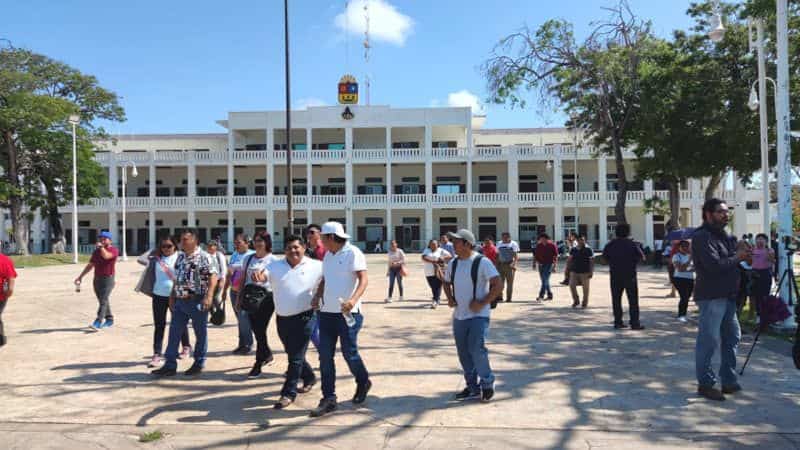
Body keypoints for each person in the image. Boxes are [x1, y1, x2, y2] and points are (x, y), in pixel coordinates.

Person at [309, 221, 372, 418]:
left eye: (322, 238)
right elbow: (326, 279)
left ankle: (363, 381)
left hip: (348, 313)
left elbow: (363, 279)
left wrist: (353, 300)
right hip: (326, 313)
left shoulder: (353, 253)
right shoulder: (328, 255)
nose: (319, 241)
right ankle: (328, 398)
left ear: (330, 237)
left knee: (349, 353)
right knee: (325, 356)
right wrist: (318, 295)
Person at [692, 198, 750, 401]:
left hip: (729, 296)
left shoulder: (725, 237)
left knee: (732, 336)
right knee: (708, 341)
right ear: (708, 214)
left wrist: (741, 252)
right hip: (711, 296)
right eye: (720, 212)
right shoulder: (702, 237)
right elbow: (714, 265)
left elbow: (734, 259)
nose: (726, 215)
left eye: (727, 212)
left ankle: (728, 380)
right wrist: (738, 257)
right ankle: (705, 384)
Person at [442, 229, 502, 403]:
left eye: (456, 241)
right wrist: (450, 298)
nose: (453, 244)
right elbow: (446, 282)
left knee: (477, 350)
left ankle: (487, 384)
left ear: (467, 244)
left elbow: (498, 285)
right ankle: (472, 387)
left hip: (479, 316)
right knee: (464, 354)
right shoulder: (453, 263)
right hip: (459, 316)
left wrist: (482, 302)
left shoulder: (482, 262)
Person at [152, 229, 219, 377]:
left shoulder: (205, 257)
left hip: (198, 300)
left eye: (185, 239)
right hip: (180, 301)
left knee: (200, 333)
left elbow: (213, 277)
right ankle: (170, 365)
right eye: (181, 239)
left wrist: (209, 296)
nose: (181, 242)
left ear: (195, 241)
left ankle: (199, 362)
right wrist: (172, 297)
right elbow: (177, 278)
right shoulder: (181, 257)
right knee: (174, 332)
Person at [267, 235, 321, 409]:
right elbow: (263, 274)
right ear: (284, 250)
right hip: (282, 318)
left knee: (295, 357)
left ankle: (288, 393)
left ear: (304, 248)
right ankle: (310, 376)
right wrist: (259, 276)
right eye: (289, 248)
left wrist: (319, 296)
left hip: (306, 316)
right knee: (293, 354)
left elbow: (329, 280)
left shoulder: (316, 266)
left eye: (296, 247)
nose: (293, 251)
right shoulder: (275, 266)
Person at [137, 235, 192, 367]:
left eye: (169, 246)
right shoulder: (156, 258)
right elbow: (140, 259)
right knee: (159, 325)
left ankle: (186, 346)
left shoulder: (181, 257)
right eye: (163, 246)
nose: (166, 249)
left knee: (179, 322)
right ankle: (157, 354)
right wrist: (154, 251)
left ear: (175, 246)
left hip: (177, 295)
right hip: (158, 295)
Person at [237, 231, 280, 378]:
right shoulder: (248, 259)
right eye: (255, 240)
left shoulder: (273, 260)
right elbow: (243, 278)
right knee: (256, 329)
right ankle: (266, 354)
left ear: (267, 242)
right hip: (250, 297)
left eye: (261, 240)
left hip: (266, 299)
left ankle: (259, 361)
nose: (258, 243)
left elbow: (276, 280)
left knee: (260, 329)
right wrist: (239, 298)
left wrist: (263, 278)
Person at [602, 224, 645, 330]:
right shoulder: (633, 244)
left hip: (615, 275)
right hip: (630, 275)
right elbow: (642, 257)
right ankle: (635, 323)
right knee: (633, 300)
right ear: (628, 232)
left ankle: (618, 322)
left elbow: (604, 259)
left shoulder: (610, 244)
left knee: (616, 299)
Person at [75, 231, 119, 330]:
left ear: (110, 240)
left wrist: (101, 248)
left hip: (108, 279)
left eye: (104, 239)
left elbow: (106, 256)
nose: (102, 240)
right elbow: (90, 265)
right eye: (100, 239)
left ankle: (98, 321)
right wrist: (80, 276)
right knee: (103, 300)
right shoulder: (96, 252)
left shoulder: (114, 250)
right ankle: (109, 319)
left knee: (103, 300)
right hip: (97, 278)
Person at [222, 234, 255, 355]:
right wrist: (225, 289)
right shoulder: (235, 255)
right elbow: (229, 274)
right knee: (240, 320)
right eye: (235, 242)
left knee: (244, 318)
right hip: (234, 291)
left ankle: (248, 344)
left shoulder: (251, 255)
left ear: (247, 243)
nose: (236, 245)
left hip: (245, 292)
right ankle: (242, 343)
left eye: (239, 242)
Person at [422, 239, 452, 309]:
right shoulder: (426, 250)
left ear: (437, 244)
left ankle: (435, 300)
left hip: (438, 271)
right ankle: (436, 299)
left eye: (434, 244)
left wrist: (443, 257)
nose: (433, 245)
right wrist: (434, 261)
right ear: (429, 245)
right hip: (428, 272)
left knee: (437, 286)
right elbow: (423, 257)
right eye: (431, 244)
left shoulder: (441, 250)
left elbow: (450, 256)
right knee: (432, 286)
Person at [567, 236, 594, 308]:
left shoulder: (588, 250)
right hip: (574, 271)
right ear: (577, 241)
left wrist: (591, 271)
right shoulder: (573, 249)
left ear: (584, 241)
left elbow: (591, 262)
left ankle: (585, 303)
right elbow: (569, 260)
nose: (581, 241)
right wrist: (567, 269)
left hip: (585, 272)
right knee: (571, 285)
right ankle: (576, 300)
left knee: (585, 289)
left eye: (582, 240)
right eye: (579, 240)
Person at [750, 233, 775, 308]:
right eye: (758, 239)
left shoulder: (769, 250)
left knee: (765, 293)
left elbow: (772, 261)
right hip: (754, 272)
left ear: (766, 241)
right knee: (755, 294)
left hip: (765, 273)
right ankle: (757, 312)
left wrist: (769, 256)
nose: (759, 241)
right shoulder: (752, 250)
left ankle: (765, 311)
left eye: (762, 239)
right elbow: (749, 262)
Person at [672, 240, 694, 323]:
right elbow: (680, 269)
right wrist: (688, 262)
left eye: (687, 246)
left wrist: (687, 268)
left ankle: (683, 314)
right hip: (679, 279)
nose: (685, 248)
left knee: (687, 297)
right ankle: (681, 315)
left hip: (690, 279)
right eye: (683, 246)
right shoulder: (676, 256)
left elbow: (694, 268)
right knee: (684, 296)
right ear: (679, 247)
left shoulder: (690, 256)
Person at [533, 233, 558, 302]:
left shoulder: (552, 245)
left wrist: (555, 266)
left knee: (545, 279)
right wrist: (534, 264)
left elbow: (555, 256)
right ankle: (550, 295)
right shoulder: (539, 245)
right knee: (544, 280)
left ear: (547, 239)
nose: (541, 240)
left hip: (549, 264)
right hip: (540, 264)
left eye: (543, 239)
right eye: (541, 239)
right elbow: (535, 255)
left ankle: (541, 295)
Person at [496, 232, 520, 303]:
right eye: (503, 237)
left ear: (509, 237)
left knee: (510, 283)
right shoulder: (499, 243)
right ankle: (500, 297)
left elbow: (516, 256)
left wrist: (514, 264)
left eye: (506, 237)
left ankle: (509, 298)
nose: (504, 239)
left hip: (509, 265)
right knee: (500, 283)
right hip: (500, 265)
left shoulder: (513, 244)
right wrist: (496, 264)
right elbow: (497, 254)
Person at [0, 252, 17, 347]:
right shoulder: (6, 259)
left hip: (1, 296)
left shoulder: (5, 260)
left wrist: (9, 291)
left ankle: (1, 338)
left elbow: (11, 278)